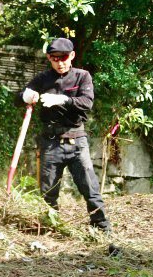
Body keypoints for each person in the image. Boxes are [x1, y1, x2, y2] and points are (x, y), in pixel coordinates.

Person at [19, 37, 112, 234]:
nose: (60, 63)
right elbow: (19, 98)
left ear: (72, 56)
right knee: (48, 192)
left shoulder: (82, 76)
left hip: (77, 142)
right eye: (54, 59)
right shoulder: (43, 79)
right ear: (49, 58)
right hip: (51, 143)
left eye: (63, 58)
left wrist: (63, 100)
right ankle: (49, 229)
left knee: (90, 190)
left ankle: (102, 230)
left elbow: (87, 102)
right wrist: (25, 96)